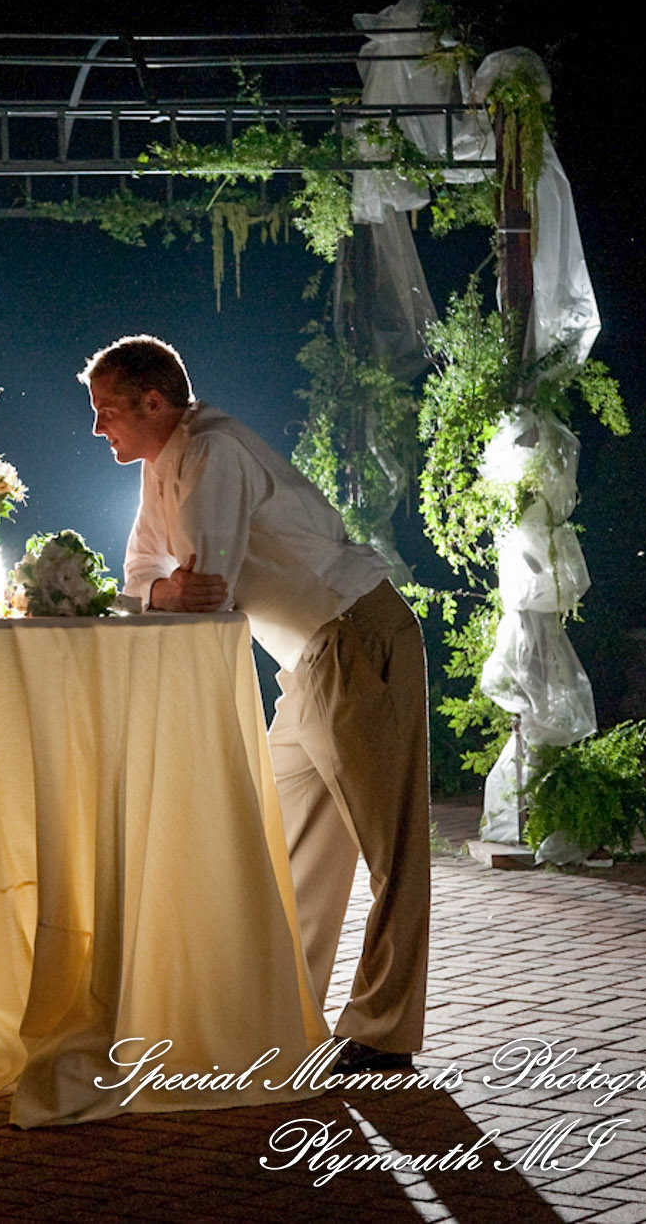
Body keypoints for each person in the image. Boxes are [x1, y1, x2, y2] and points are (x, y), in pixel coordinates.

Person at [80, 335, 430, 1070]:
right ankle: (279, 1013)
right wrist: (161, 590)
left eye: (106, 410)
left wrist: (166, 591)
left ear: (154, 401)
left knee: (390, 847)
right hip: (307, 659)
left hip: (356, 634)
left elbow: (210, 590)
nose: (96, 427)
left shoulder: (212, 451)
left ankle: (381, 1031)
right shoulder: (163, 463)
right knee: (286, 848)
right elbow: (150, 574)